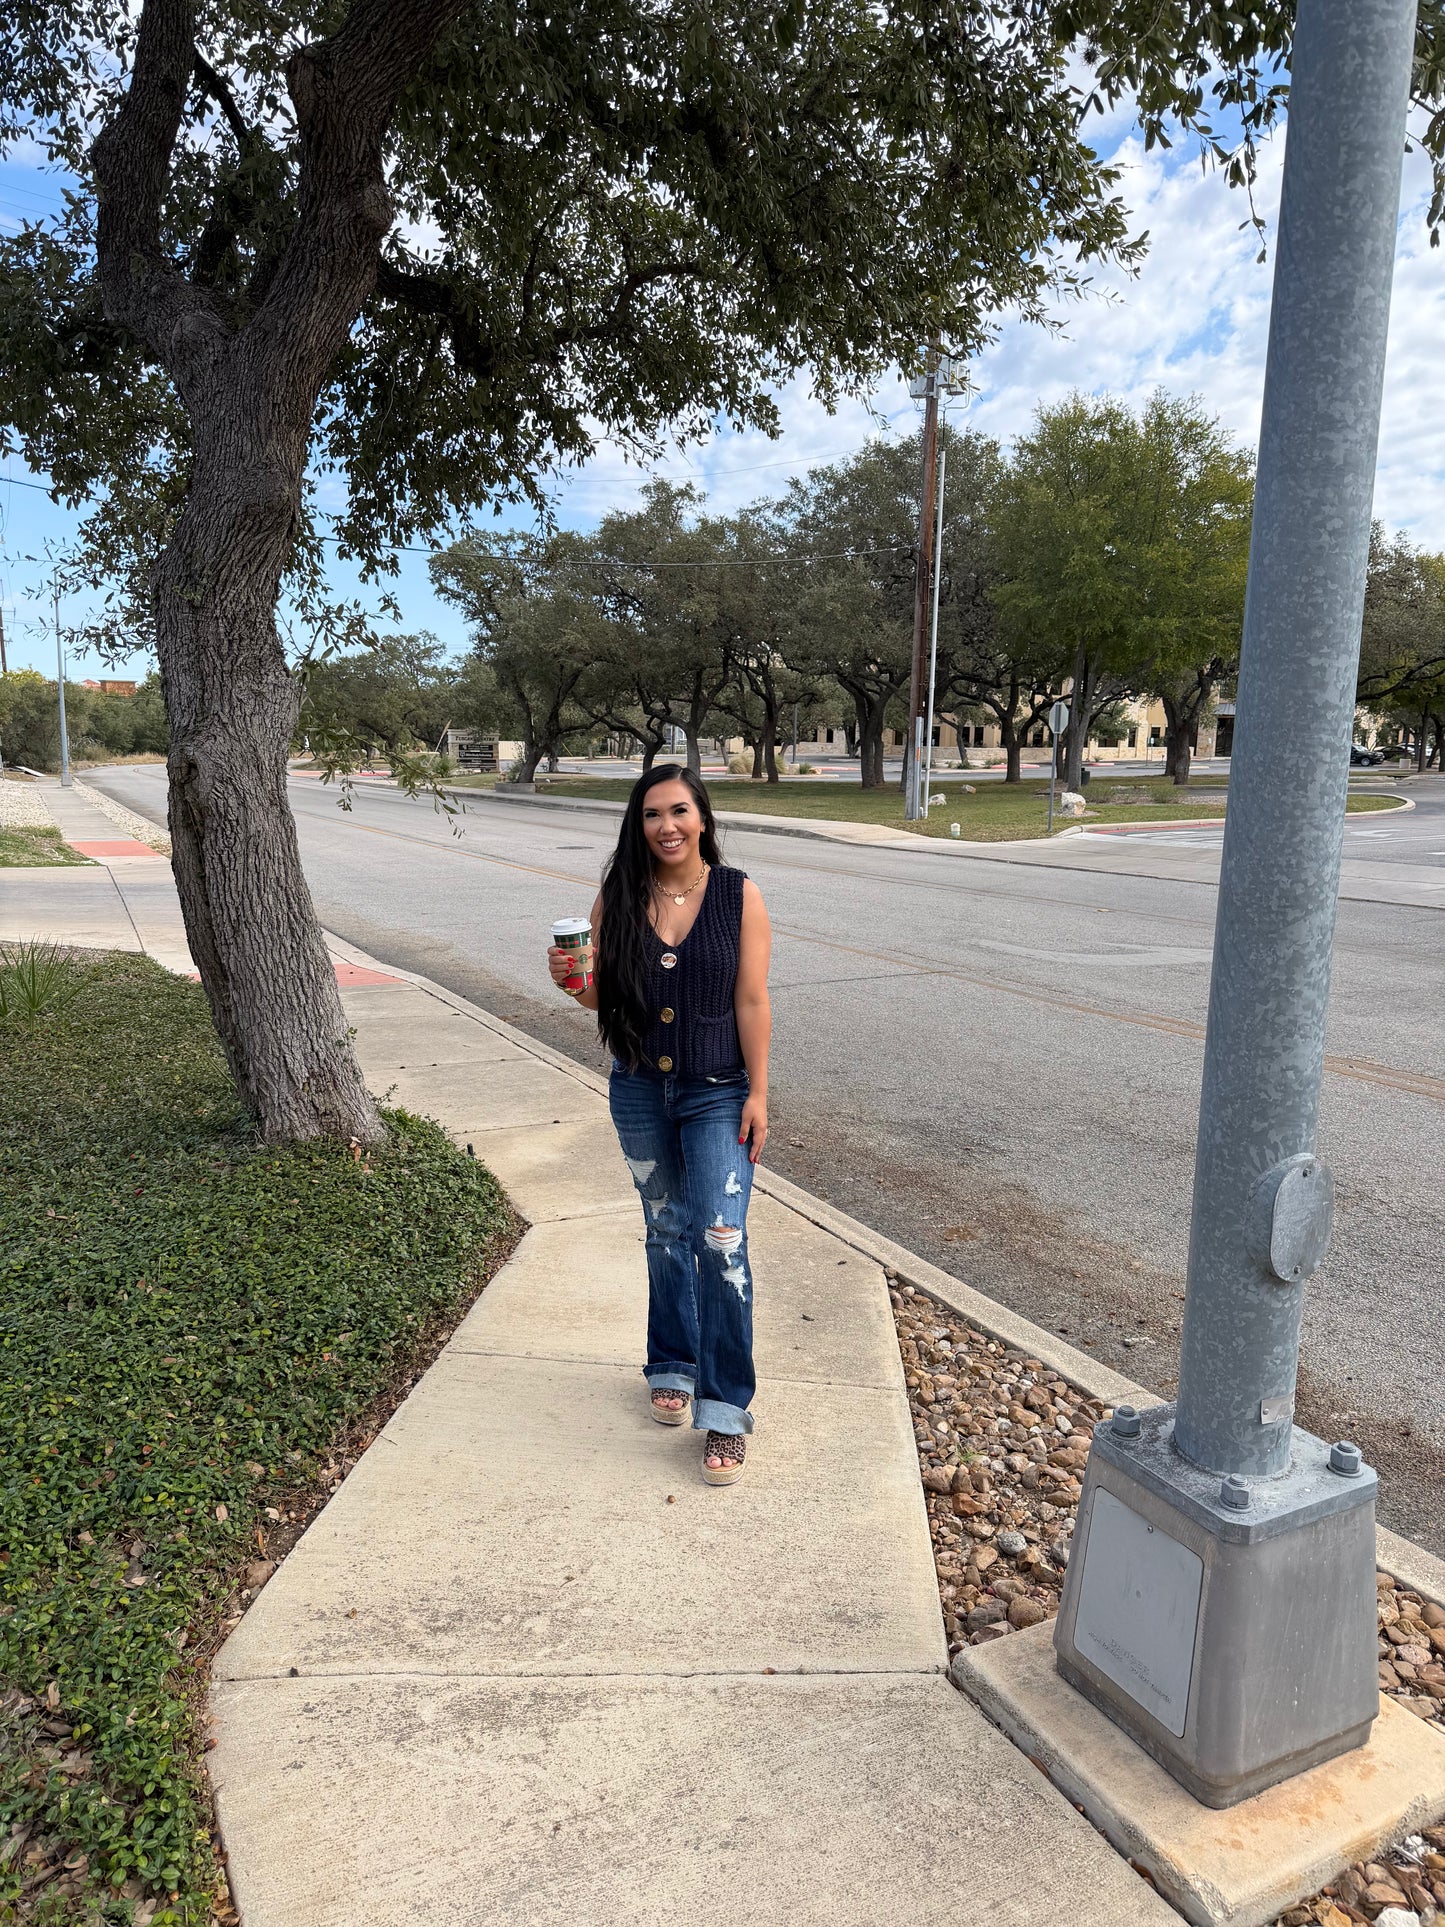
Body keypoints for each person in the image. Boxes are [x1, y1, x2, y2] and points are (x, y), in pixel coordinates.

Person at [547, 764, 772, 1485]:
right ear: (637, 824)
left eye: (679, 810)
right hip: (639, 1089)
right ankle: (671, 1361)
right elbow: (600, 999)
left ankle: (726, 1411)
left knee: (720, 1237)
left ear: (701, 817)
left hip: (716, 1094)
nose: (666, 825)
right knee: (666, 1230)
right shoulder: (619, 893)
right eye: (651, 814)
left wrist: (759, 1093)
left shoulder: (739, 894)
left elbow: (752, 1001)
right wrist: (571, 981)